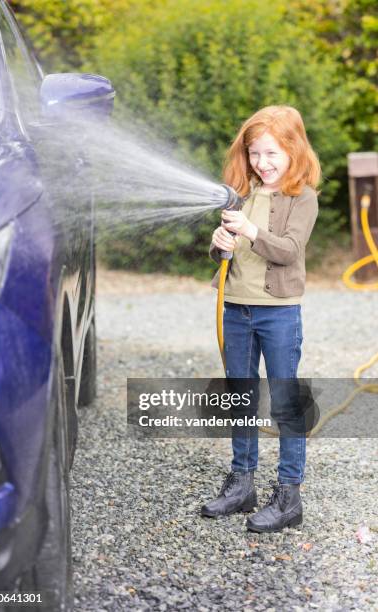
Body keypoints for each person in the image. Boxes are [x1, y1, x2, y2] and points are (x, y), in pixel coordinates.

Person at [201, 105, 321, 533]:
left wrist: (250, 231)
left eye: (272, 154)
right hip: (235, 309)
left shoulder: (302, 198)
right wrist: (219, 244)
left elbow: (289, 250)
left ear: (293, 150)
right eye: (254, 154)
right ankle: (242, 484)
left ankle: (289, 496)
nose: (262, 163)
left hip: (278, 315)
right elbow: (226, 253)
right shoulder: (241, 193)